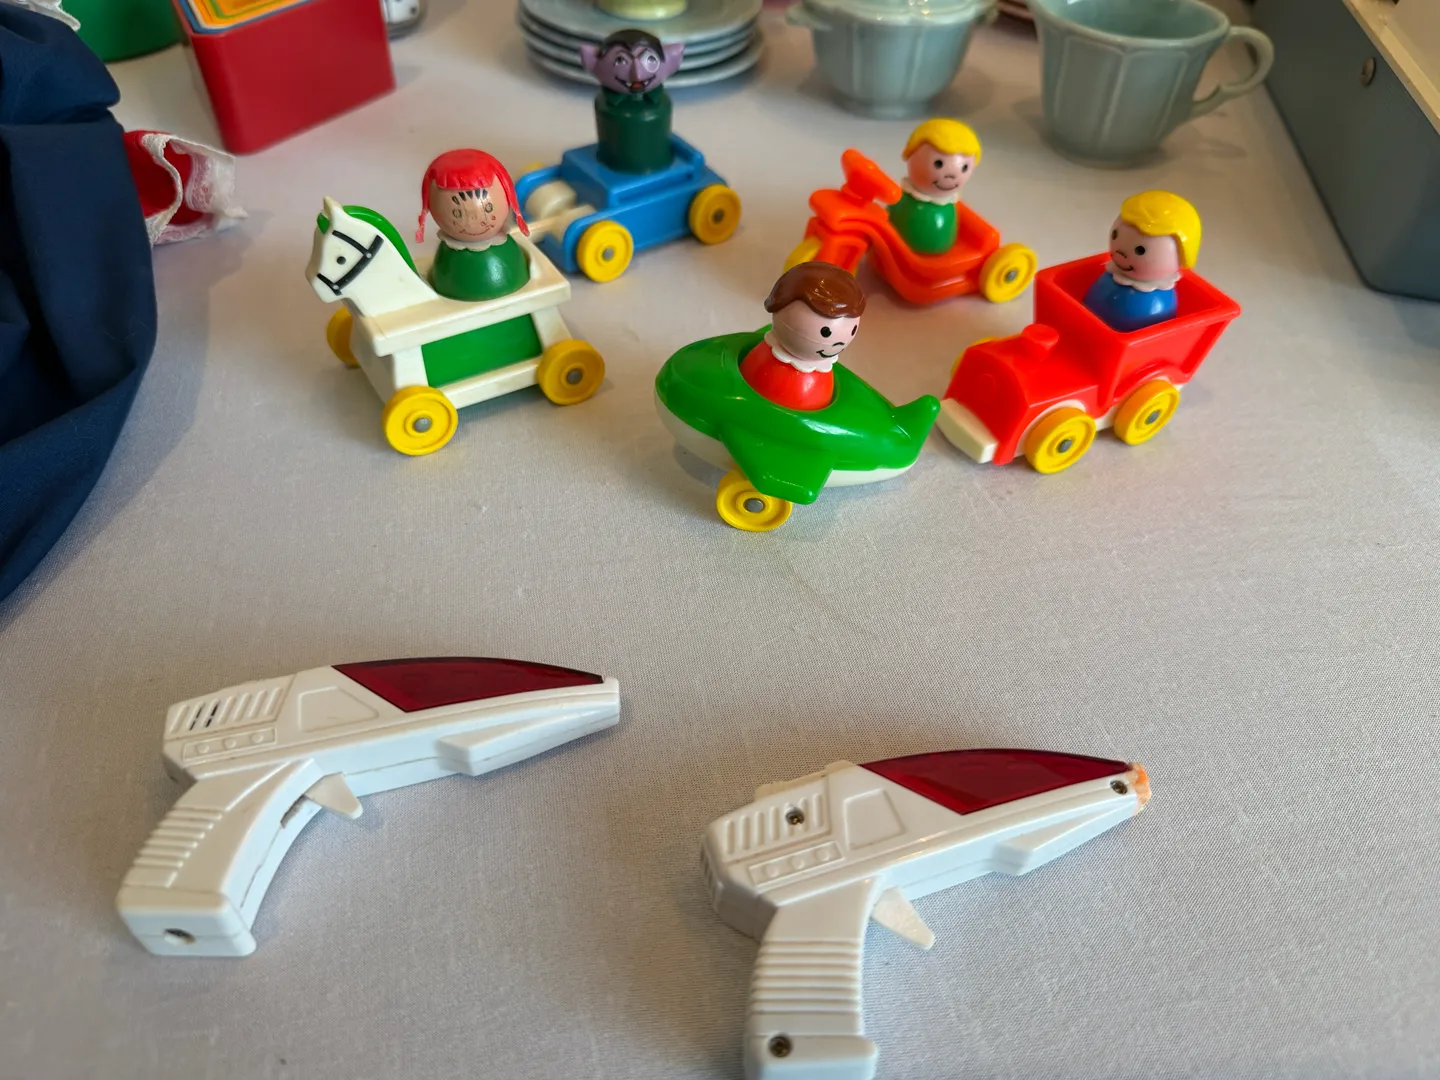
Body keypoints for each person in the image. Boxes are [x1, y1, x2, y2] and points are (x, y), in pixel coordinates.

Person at [739, 262, 866, 411]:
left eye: (852, 330)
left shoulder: (822, 373)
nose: (838, 344)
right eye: (825, 332)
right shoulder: (763, 357)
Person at [415, 149, 529, 303]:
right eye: (457, 213)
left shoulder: (507, 251)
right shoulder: (448, 258)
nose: (473, 223)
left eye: (488, 208)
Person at [1083, 191, 1201, 332]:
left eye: (1140, 250)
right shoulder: (1109, 277)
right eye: (1115, 235)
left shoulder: (1158, 300)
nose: (1120, 253)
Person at [580, 29, 685, 174]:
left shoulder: (661, 104)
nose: (637, 74)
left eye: (650, 60)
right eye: (621, 61)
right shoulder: (605, 105)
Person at [886, 118, 981, 255]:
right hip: (896, 248)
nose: (951, 176)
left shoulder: (947, 206)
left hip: (933, 256)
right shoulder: (904, 199)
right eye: (938, 164)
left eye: (964, 168)